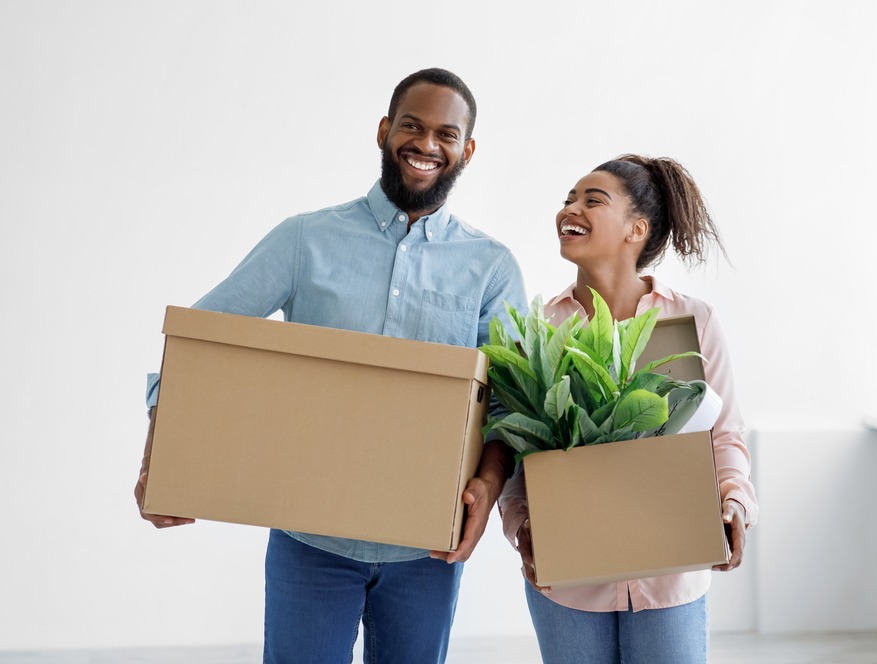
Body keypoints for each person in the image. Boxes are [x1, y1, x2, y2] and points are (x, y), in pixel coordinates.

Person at [133, 68, 529, 664]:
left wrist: (489, 483)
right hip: (308, 541)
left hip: (426, 548)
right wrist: (158, 460)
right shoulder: (305, 240)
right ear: (383, 131)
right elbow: (195, 345)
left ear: (466, 150)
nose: (426, 144)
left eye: (446, 134)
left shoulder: (491, 267)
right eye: (411, 126)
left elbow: (510, 403)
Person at [497, 154, 758, 664]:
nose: (571, 208)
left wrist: (734, 503)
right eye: (569, 198)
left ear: (636, 229)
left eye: (593, 200)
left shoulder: (691, 320)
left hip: (670, 570)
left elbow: (724, 434)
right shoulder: (541, 330)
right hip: (568, 578)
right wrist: (522, 526)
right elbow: (513, 446)